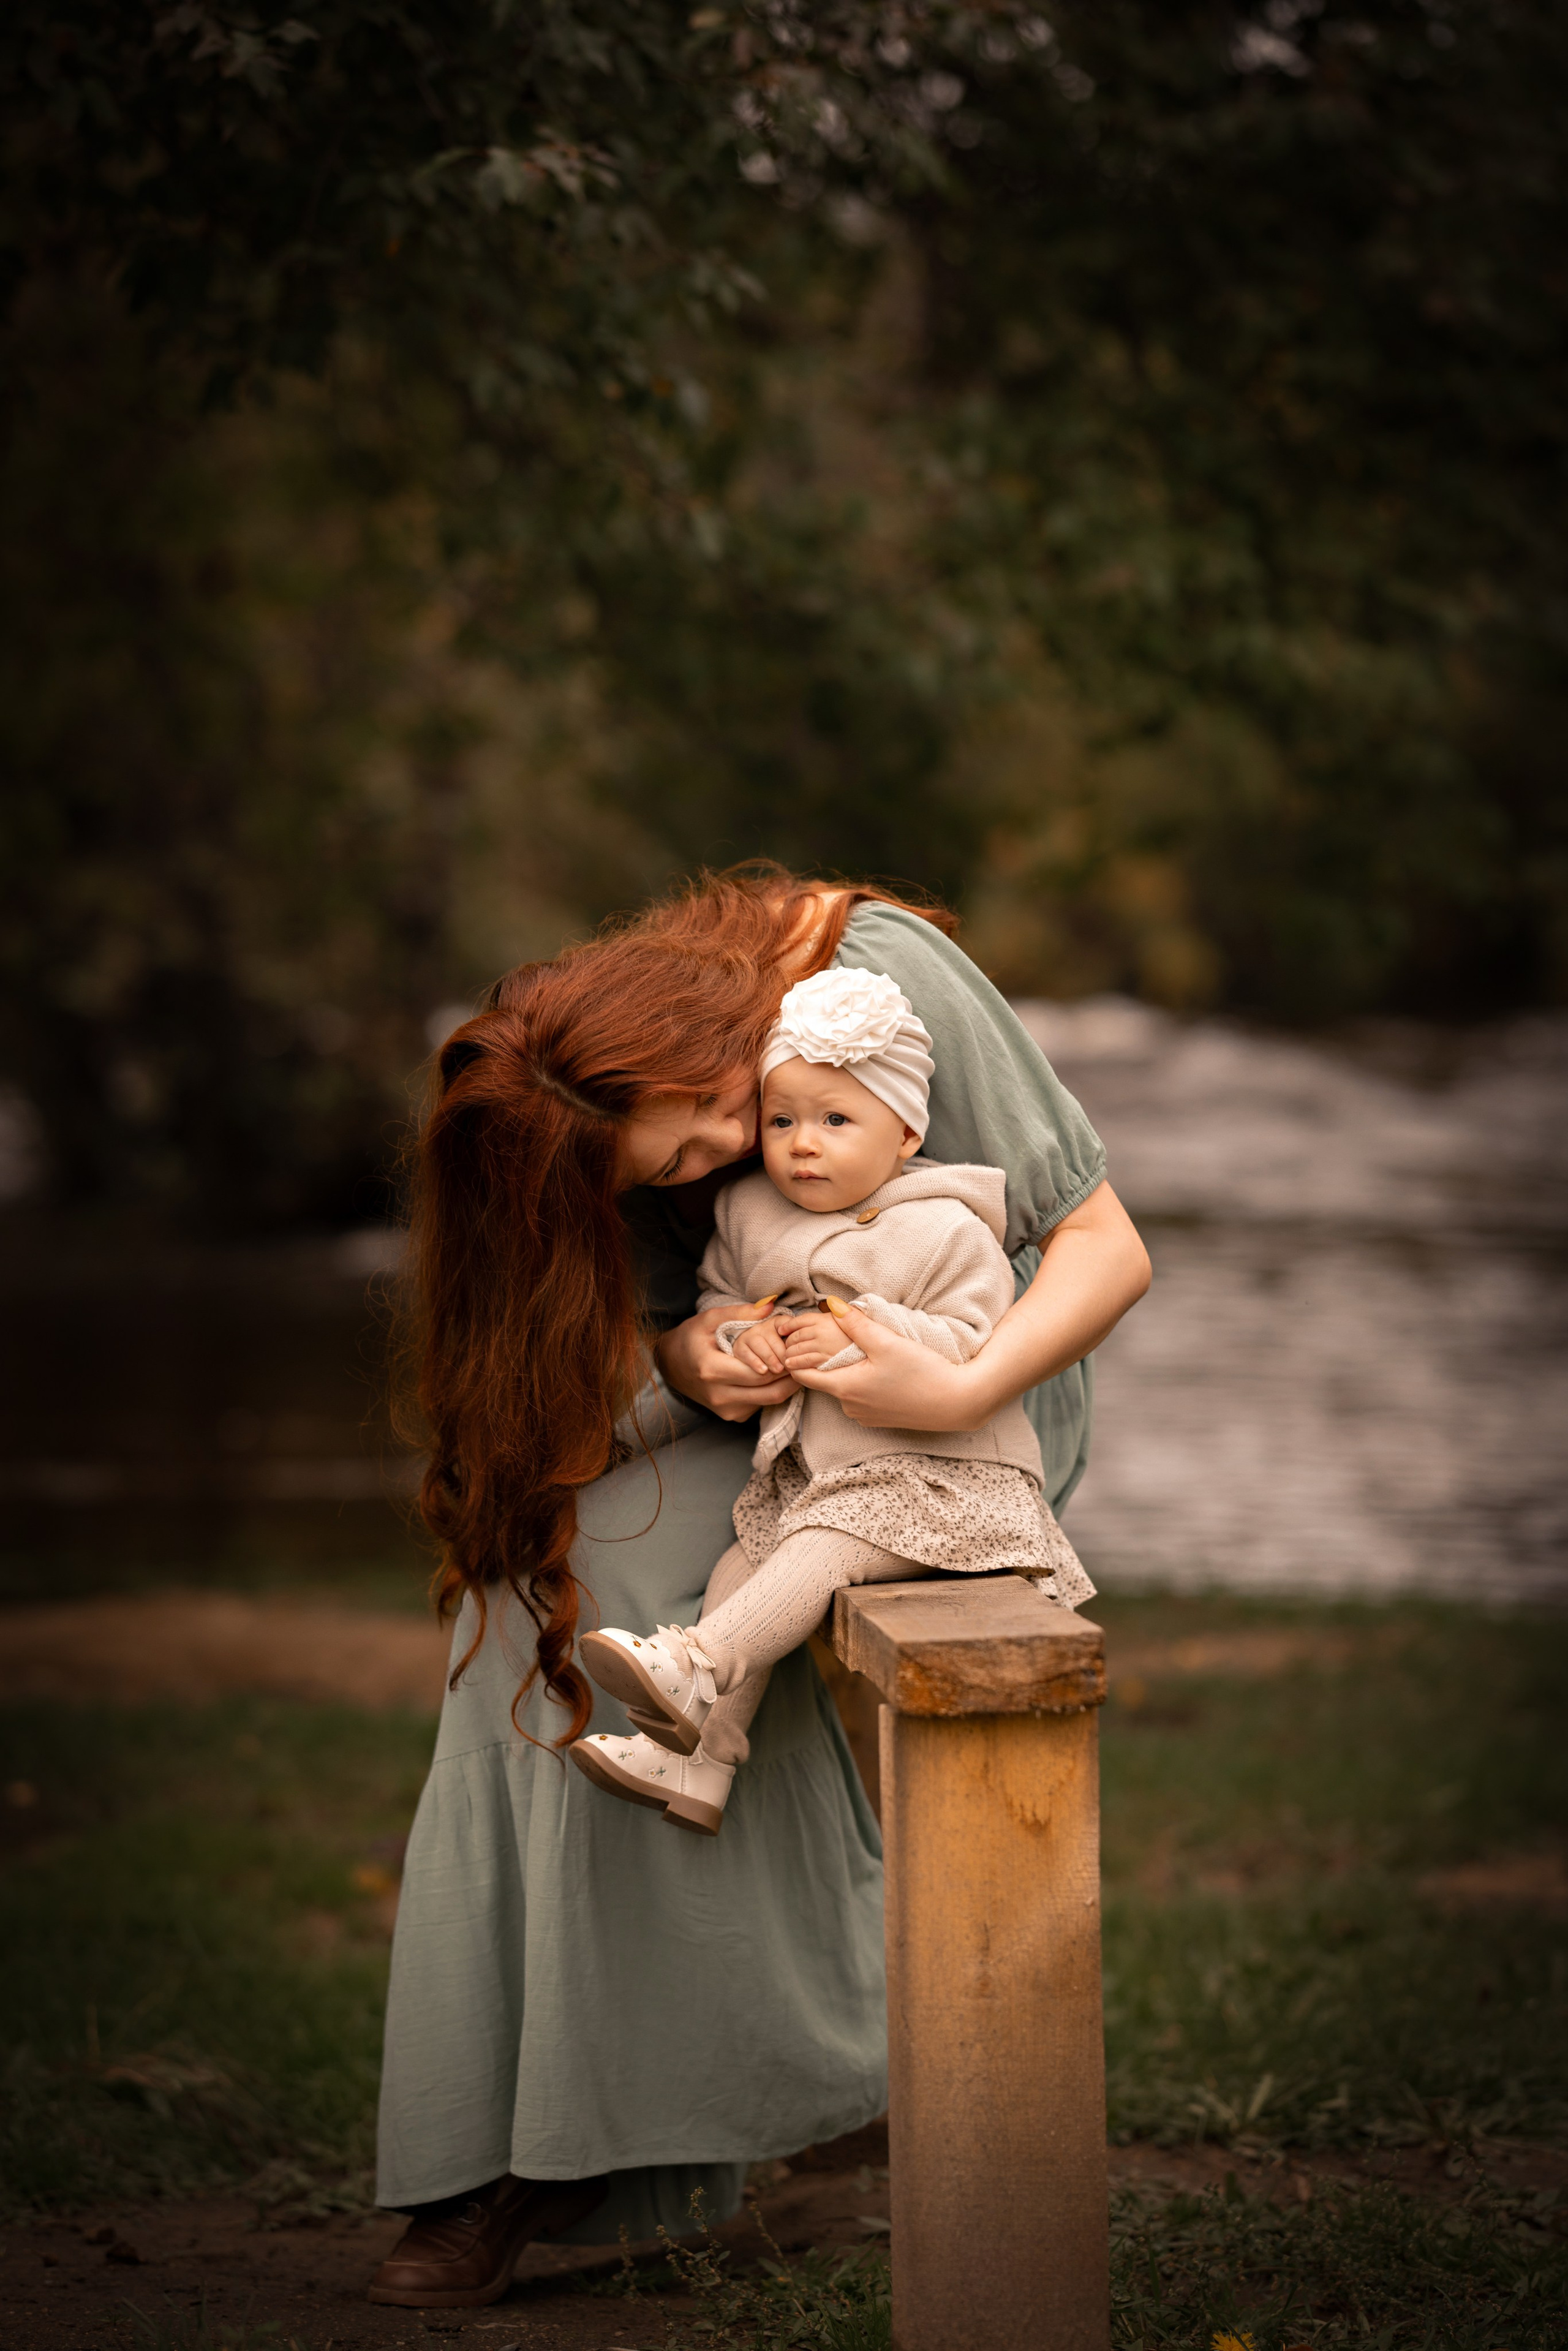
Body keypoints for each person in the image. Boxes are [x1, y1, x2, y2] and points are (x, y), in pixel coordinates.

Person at [368, 869, 1150, 2309]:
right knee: (525, 1592)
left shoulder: (879, 967)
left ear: (687, 1041)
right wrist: (690, 1351)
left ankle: (611, 2134)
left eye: (712, 1125)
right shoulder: (623, 1128)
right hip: (778, 1394)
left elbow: (1108, 1248)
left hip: (972, 1398)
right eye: (682, 1163)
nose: (728, 1154)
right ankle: (511, 2122)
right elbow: (678, 1311)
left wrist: (957, 1375)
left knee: (647, 1582)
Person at [570, 963, 1094, 1836]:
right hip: (820, 1478)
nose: (801, 1143)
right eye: (782, 1121)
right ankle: (698, 1761)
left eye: (835, 1120)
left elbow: (975, 1338)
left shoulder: (949, 1224)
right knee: (748, 1559)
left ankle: (698, 1664)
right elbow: (718, 1305)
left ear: (904, 1134)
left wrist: (870, 1328)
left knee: (816, 1546)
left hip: (938, 1484)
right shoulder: (748, 1213)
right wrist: (747, 1341)